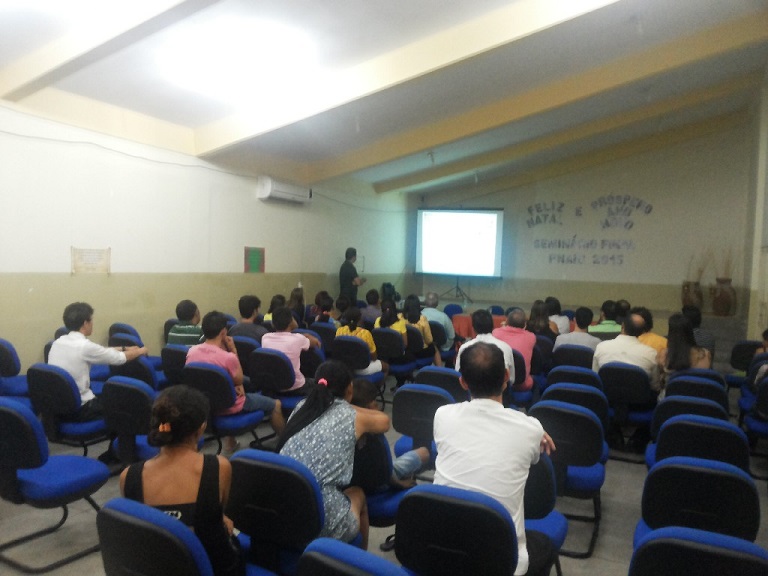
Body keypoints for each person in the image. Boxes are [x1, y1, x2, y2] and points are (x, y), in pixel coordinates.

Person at [433, 342, 556, 576]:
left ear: (463, 382)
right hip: (503, 562)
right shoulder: (530, 428)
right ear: (507, 377)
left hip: (442, 549)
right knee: (544, 545)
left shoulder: (442, 414)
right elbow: (532, 456)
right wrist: (535, 431)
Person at [120, 386, 244, 576]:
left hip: (155, 569)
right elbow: (219, 511)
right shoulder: (219, 467)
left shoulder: (128, 476)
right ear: (201, 428)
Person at [278, 361, 390, 550]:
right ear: (349, 389)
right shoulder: (352, 416)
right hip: (318, 521)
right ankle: (358, 560)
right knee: (358, 493)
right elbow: (384, 421)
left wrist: (334, 404)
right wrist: (345, 406)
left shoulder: (301, 407)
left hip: (283, 510)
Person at [186, 311, 284, 453]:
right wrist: (233, 350)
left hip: (207, 405)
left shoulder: (191, 352)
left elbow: (212, 378)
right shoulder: (227, 357)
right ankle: (285, 444)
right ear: (223, 332)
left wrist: (235, 385)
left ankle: (231, 443)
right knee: (276, 404)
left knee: (228, 389)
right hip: (230, 405)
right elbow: (239, 378)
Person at [49, 302, 147, 420]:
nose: (92, 324)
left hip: (60, 406)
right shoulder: (84, 346)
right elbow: (119, 358)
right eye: (91, 320)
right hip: (82, 408)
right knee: (128, 404)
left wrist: (124, 348)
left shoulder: (58, 342)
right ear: (85, 323)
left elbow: (100, 351)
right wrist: (140, 351)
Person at [351, 379, 428, 489]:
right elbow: (385, 471)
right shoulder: (374, 436)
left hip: (355, 483)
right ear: (370, 406)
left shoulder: (345, 428)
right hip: (379, 484)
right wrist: (400, 484)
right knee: (424, 452)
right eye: (374, 401)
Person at [592, 312, 660, 391]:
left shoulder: (601, 347)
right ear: (642, 332)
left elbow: (595, 378)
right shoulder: (651, 354)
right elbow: (654, 386)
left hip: (605, 396)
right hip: (637, 398)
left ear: (622, 326)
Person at [262, 306, 321, 393]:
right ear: (291, 322)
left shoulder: (265, 337)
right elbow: (316, 343)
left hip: (273, 386)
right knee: (321, 383)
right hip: (295, 387)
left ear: (273, 323)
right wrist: (307, 335)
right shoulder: (298, 339)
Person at [656, 313, 712, 395]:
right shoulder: (705, 355)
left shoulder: (664, 356)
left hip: (671, 398)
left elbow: (659, 383)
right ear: (690, 331)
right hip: (699, 398)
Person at [455, 309, 514, 382]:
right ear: (493, 327)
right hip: (500, 388)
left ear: (473, 329)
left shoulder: (465, 348)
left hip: (471, 388)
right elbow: (511, 379)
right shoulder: (506, 347)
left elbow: (458, 375)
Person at [336, 307, 389, 377]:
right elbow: (374, 357)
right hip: (362, 368)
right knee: (386, 366)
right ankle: (378, 384)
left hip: (346, 366)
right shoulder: (365, 333)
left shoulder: (339, 330)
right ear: (360, 319)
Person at [493, 307, 536, 391]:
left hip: (498, 382)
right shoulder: (531, 337)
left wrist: (504, 326)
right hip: (521, 384)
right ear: (525, 325)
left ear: (506, 321)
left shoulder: (495, 333)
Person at [401, 294, 442, 366]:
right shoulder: (422, 319)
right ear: (418, 306)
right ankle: (440, 370)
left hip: (406, 350)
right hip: (420, 351)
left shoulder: (399, 317)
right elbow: (429, 340)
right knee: (434, 347)